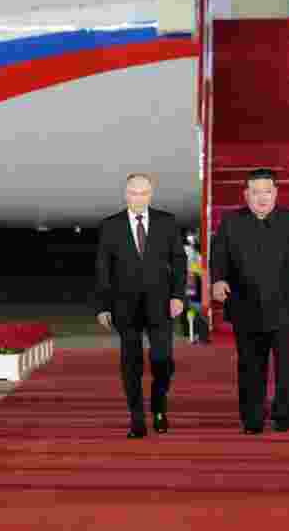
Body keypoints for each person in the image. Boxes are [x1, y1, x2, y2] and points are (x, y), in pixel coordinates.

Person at [210, 168, 289, 433]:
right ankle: (252, 419)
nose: (262, 198)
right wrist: (218, 280)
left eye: (268, 192)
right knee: (250, 365)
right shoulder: (230, 221)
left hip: (285, 306)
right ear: (246, 195)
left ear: (276, 194)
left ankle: (287, 415)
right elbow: (219, 257)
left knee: (288, 365)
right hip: (245, 305)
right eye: (256, 192)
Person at [94, 173, 186, 438]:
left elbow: (179, 261)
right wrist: (102, 306)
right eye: (134, 193)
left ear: (151, 194)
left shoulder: (166, 222)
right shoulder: (110, 226)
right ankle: (136, 418)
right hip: (125, 306)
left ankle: (159, 406)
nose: (139, 198)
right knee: (131, 363)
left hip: (161, 305)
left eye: (144, 193)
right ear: (126, 194)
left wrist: (178, 296)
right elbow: (103, 269)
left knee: (163, 360)